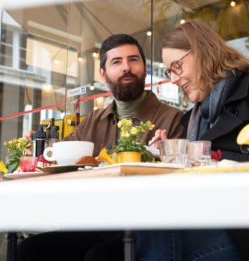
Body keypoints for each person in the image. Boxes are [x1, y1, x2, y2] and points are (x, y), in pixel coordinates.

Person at [137, 20, 249, 261]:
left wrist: (206, 159)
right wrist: (172, 158)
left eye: (177, 66)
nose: (174, 79)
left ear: (203, 52)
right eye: (169, 71)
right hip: (212, 216)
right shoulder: (193, 120)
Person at [17, 34, 185, 261]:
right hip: (93, 220)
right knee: (29, 248)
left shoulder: (173, 119)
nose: (126, 67)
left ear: (144, 68)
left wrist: (164, 155)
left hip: (145, 226)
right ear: (103, 74)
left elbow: (179, 184)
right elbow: (57, 159)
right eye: (117, 62)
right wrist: (35, 155)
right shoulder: (92, 121)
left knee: (99, 257)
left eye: (133, 60)